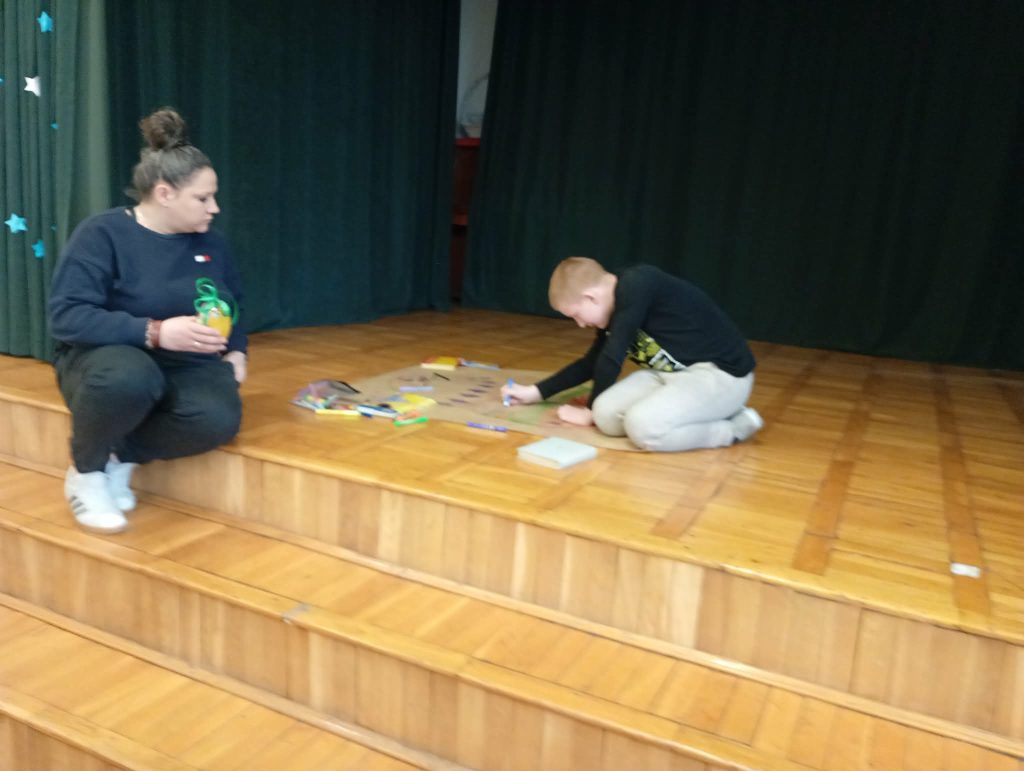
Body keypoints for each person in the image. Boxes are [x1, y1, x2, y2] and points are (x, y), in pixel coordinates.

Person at [48, 107, 247, 534]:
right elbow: (67, 316)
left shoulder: (212, 244)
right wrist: (155, 332)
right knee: (129, 378)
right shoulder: (101, 235)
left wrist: (236, 350)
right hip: (107, 357)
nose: (214, 208)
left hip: (187, 361)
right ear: (164, 193)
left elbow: (233, 301)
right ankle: (87, 471)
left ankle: (118, 456)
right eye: (203, 198)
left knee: (217, 420)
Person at [501, 257, 762, 452]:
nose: (580, 324)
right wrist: (536, 392)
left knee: (643, 429)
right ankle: (700, 411)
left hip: (721, 375)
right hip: (670, 374)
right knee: (605, 416)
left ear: (591, 297)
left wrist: (588, 412)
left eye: (577, 315)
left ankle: (731, 429)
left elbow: (612, 357)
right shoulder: (614, 310)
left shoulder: (638, 284)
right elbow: (593, 362)